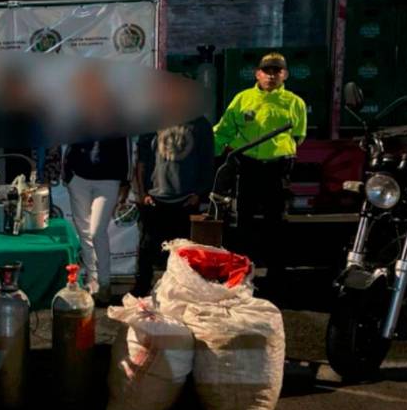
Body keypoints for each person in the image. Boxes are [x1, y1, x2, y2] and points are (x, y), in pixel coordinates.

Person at [213, 52, 307, 293]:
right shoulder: (243, 99)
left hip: (278, 169)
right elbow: (223, 131)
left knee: (275, 224)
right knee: (243, 223)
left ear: (284, 74)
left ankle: (276, 278)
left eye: (277, 71)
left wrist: (278, 152)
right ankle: (242, 277)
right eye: (267, 71)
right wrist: (208, 148)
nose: (272, 75)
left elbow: (298, 136)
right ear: (257, 74)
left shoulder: (295, 102)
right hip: (249, 168)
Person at [132, 116, 215, 297]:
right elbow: (142, 161)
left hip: (186, 200)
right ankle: (142, 287)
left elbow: (208, 161)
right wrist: (143, 194)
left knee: (183, 253)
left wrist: (198, 194)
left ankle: (181, 290)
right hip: (155, 198)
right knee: (147, 248)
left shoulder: (201, 124)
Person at [63, 137, 131, 305]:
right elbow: (71, 145)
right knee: (84, 233)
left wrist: (125, 181)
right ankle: (93, 284)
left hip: (109, 180)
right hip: (78, 178)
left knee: (96, 231)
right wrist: (67, 173)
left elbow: (124, 149)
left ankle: (104, 283)